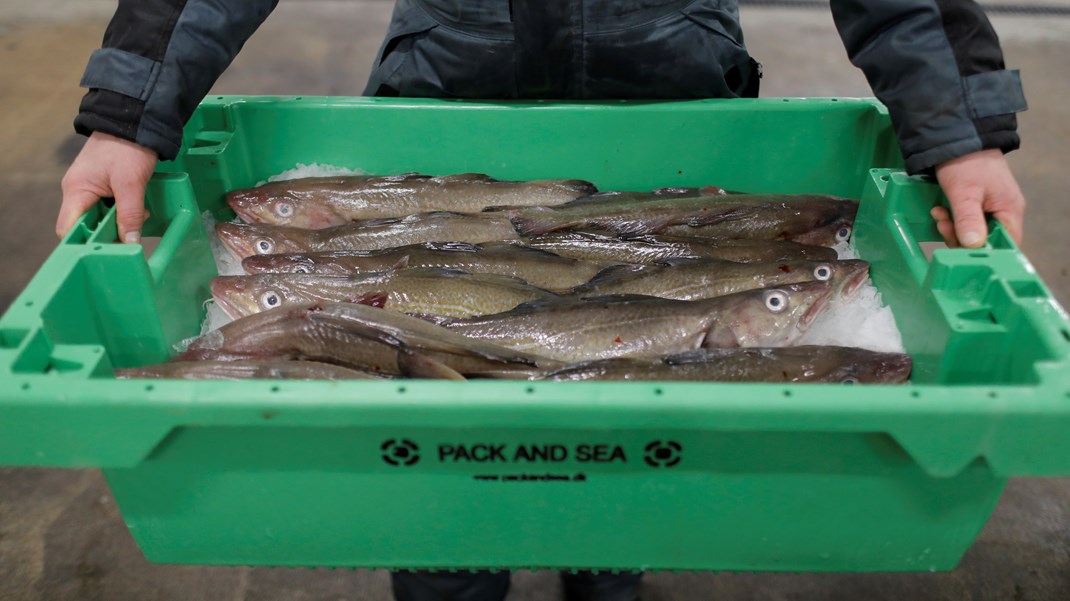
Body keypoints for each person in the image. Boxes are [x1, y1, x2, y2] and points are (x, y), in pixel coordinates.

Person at [54, 1, 1028, 600]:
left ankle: (611, 558)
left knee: (640, 445)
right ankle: (442, 562)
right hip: (442, 99)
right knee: (432, 463)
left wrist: (958, 125)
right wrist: (133, 109)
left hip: (678, 104)